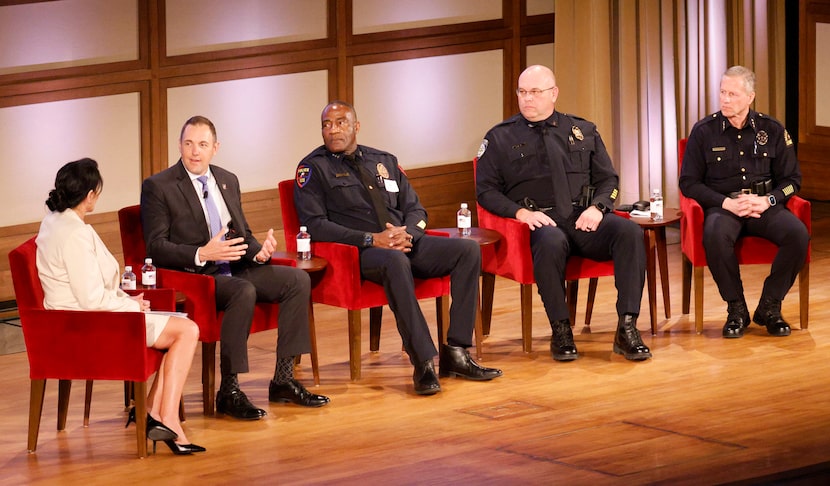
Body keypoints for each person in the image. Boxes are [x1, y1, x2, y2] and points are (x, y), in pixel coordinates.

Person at [294, 101, 503, 395]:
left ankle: (456, 351)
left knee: (466, 251)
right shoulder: (313, 169)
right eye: (326, 125)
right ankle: (423, 362)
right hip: (360, 254)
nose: (333, 130)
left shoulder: (384, 161)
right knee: (394, 261)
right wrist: (371, 239)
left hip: (402, 242)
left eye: (341, 122)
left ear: (356, 126)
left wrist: (409, 235)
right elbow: (315, 225)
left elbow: (415, 209)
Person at [141, 116, 329, 420]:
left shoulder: (227, 179)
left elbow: (242, 234)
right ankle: (228, 390)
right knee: (243, 290)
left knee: (296, 279)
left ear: (215, 148)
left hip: (237, 267)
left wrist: (259, 253)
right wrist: (202, 253)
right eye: (188, 144)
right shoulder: (159, 186)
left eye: (202, 145)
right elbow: (156, 247)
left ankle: (283, 379)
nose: (194, 152)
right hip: (197, 276)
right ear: (179, 145)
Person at [476, 65, 652, 362]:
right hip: (540, 223)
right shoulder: (500, 138)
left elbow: (609, 179)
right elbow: (486, 191)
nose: (527, 99)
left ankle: (627, 327)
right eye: (522, 92)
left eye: (535, 92)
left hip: (583, 219)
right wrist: (520, 213)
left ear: (554, 93)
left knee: (630, 233)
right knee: (551, 241)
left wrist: (599, 208)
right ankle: (561, 330)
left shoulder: (582, 130)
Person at [36, 158, 204, 455]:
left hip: (81, 317)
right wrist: (129, 307)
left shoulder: (54, 221)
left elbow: (90, 291)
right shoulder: (73, 234)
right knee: (187, 330)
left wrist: (126, 301)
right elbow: (90, 299)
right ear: (90, 195)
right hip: (89, 325)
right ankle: (167, 418)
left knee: (180, 326)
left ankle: (152, 410)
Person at [679, 65, 809, 339]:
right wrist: (726, 203)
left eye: (733, 94)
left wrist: (768, 200)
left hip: (764, 206)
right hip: (724, 207)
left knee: (798, 234)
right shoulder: (704, 131)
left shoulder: (772, 129)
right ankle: (736, 308)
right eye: (722, 92)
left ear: (750, 97)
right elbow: (688, 183)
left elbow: (792, 180)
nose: (725, 99)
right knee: (713, 234)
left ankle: (770, 306)